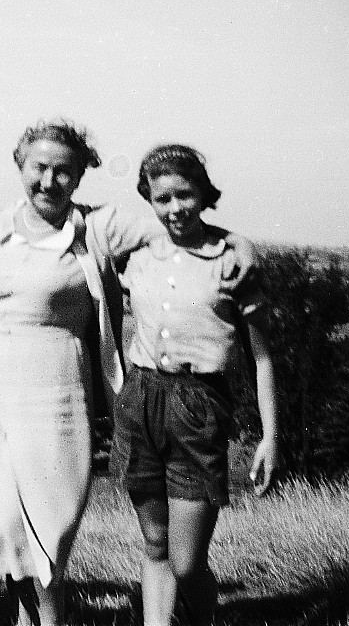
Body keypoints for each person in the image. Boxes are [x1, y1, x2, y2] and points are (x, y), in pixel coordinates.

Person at [0, 119, 257, 626]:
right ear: (20, 167)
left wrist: (239, 246)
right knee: (6, 527)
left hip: (57, 398)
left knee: (52, 525)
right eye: (39, 168)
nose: (49, 181)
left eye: (63, 171)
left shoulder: (96, 227)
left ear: (80, 177)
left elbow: (179, 224)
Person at [112, 144, 279, 626]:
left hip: (199, 405)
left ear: (204, 193)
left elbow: (263, 357)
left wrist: (271, 436)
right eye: (162, 198)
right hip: (141, 400)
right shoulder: (136, 255)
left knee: (186, 562)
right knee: (155, 545)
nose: (175, 208)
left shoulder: (233, 261)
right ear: (149, 200)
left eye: (185, 194)